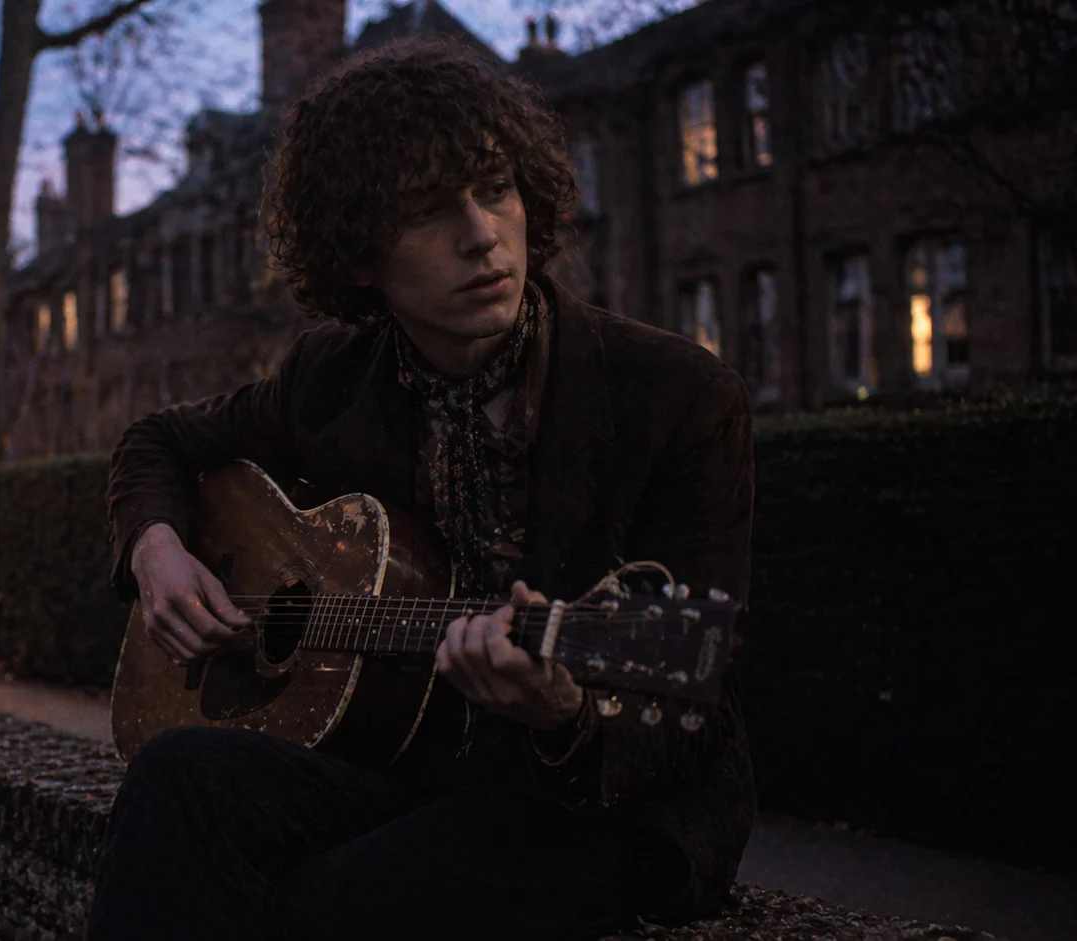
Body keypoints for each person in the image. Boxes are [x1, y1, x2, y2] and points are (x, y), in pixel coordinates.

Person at [91, 42, 755, 941]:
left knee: (332, 904)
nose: (482, 234)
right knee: (174, 776)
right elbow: (157, 441)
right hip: (394, 759)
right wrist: (157, 549)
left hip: (585, 795)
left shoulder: (674, 395)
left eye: (496, 189)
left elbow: (691, 697)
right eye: (429, 211)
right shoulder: (331, 378)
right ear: (359, 254)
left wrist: (559, 711)